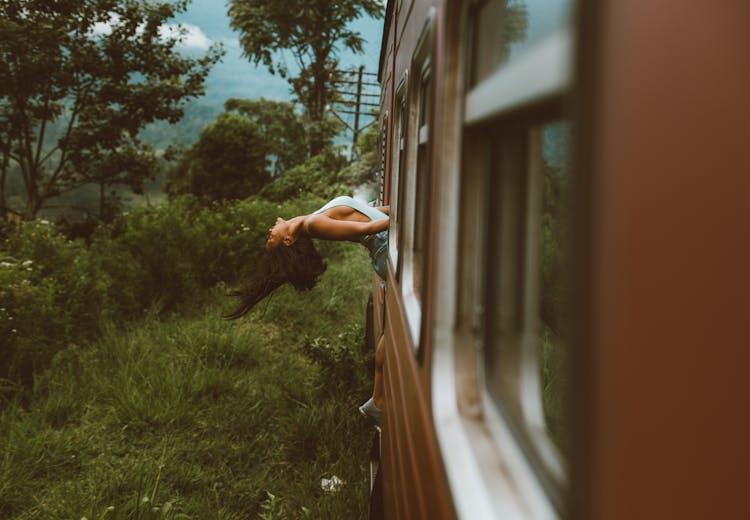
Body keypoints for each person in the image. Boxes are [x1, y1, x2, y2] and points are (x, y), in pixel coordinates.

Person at [224, 195, 388, 428]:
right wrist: (408, 212)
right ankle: (377, 400)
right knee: (393, 332)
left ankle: (377, 401)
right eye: (271, 239)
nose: (269, 232)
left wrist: (395, 208)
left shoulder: (310, 220)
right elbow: (370, 227)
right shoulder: (313, 224)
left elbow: (367, 212)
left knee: (391, 333)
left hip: (386, 248)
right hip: (387, 247)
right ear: (289, 240)